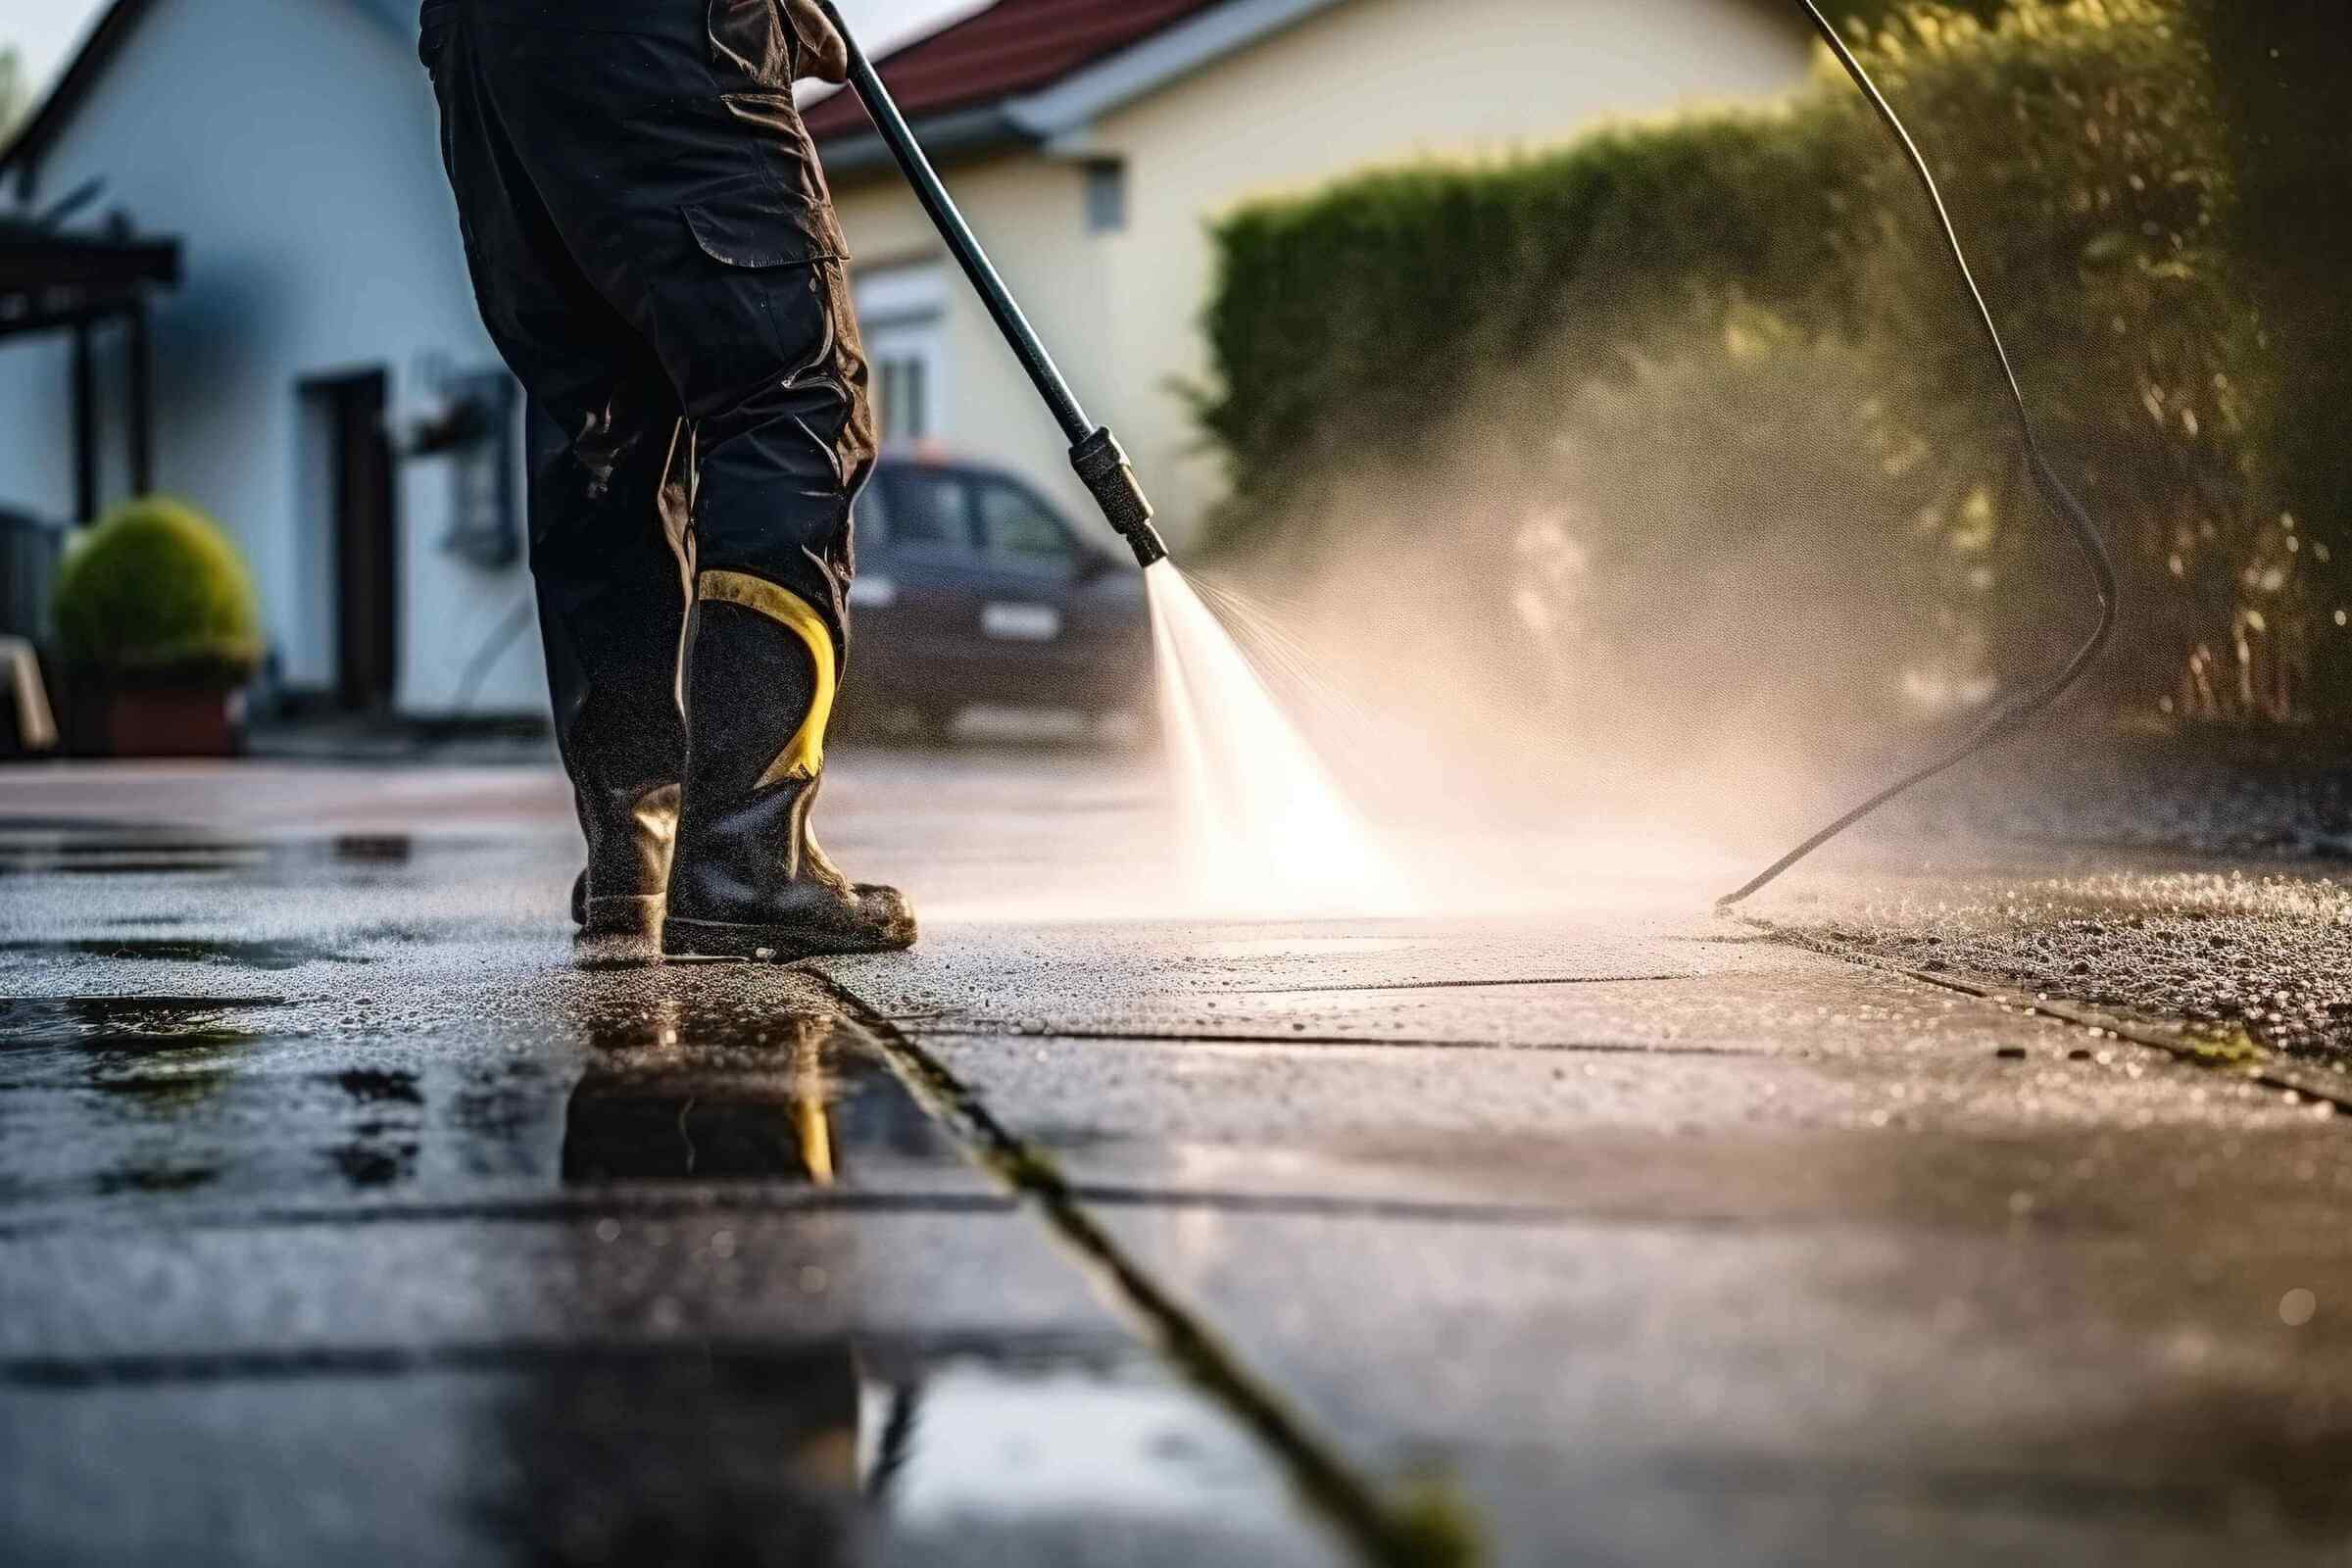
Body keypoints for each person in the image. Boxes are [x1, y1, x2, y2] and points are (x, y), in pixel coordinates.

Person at [419, 0, 914, 960]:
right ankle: (743, 859)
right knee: (791, 395)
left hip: (486, 54)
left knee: (598, 426)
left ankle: (630, 841)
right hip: (659, 33)